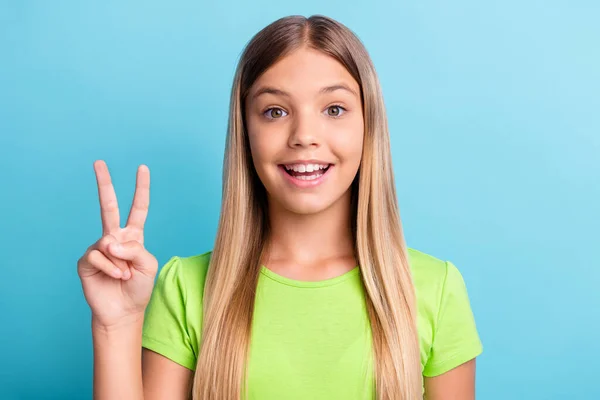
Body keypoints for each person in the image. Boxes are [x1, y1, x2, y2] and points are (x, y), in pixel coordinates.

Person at [77, 14, 483, 400]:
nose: (304, 135)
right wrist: (116, 324)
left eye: (334, 109)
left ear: (368, 125)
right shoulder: (185, 287)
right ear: (246, 132)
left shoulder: (435, 289)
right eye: (275, 111)